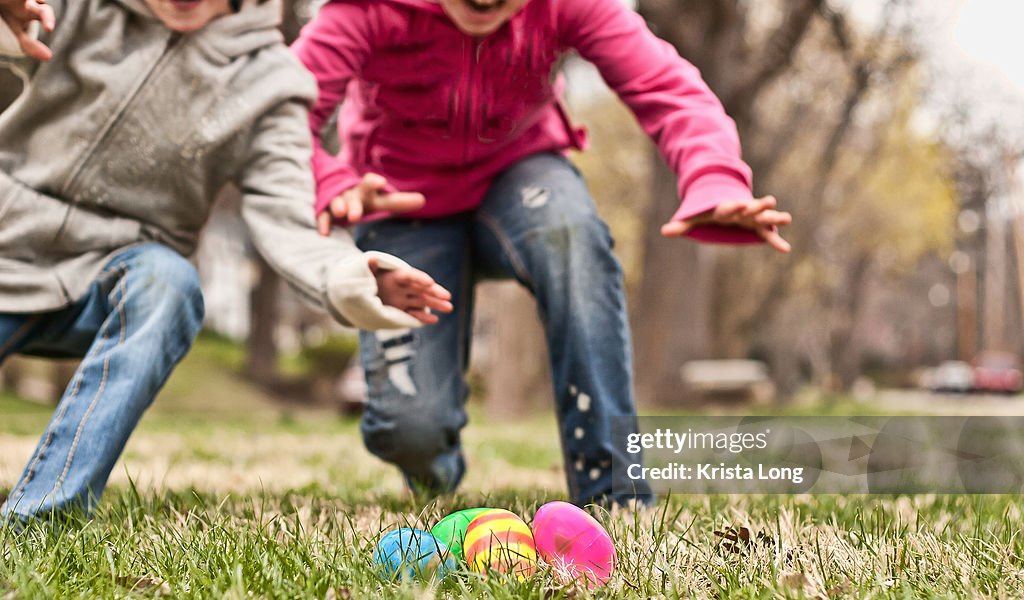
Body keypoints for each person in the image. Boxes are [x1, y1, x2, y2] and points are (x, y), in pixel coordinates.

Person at [292, 0, 792, 507]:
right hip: (400, 197)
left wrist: (713, 174)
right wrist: (331, 180)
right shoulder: (367, 10)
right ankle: (430, 464)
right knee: (411, 426)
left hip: (520, 174)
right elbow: (285, 114)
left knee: (572, 237)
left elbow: (666, 85)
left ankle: (612, 489)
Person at [0, 0, 453, 525]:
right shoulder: (78, 9)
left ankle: (42, 512)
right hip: (9, 248)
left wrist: (348, 275)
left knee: (170, 281)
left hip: (113, 277)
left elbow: (286, 214)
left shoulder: (269, 82)